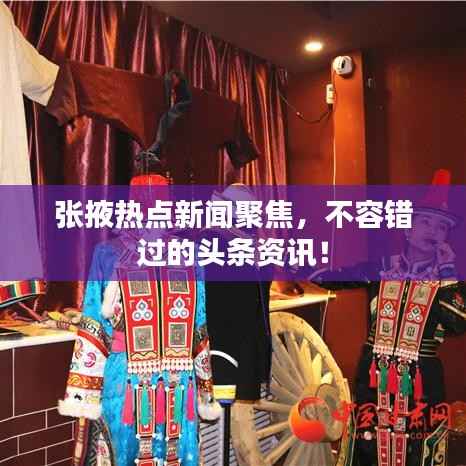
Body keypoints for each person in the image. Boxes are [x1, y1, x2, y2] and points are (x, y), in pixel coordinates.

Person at [59, 174, 221, 466]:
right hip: (125, 382)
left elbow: (199, 326)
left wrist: (205, 387)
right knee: (124, 451)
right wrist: (84, 393)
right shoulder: (109, 255)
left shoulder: (190, 256)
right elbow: (94, 326)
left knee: (176, 453)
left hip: (178, 384)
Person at [311, 169, 466, 466]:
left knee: (418, 448)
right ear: (408, 229)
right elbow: (326, 277)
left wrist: (448, 270)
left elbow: (458, 322)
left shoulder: (449, 280)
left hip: (423, 380)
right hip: (374, 375)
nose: (433, 231)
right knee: (368, 444)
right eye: (425, 222)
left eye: (441, 227)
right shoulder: (382, 268)